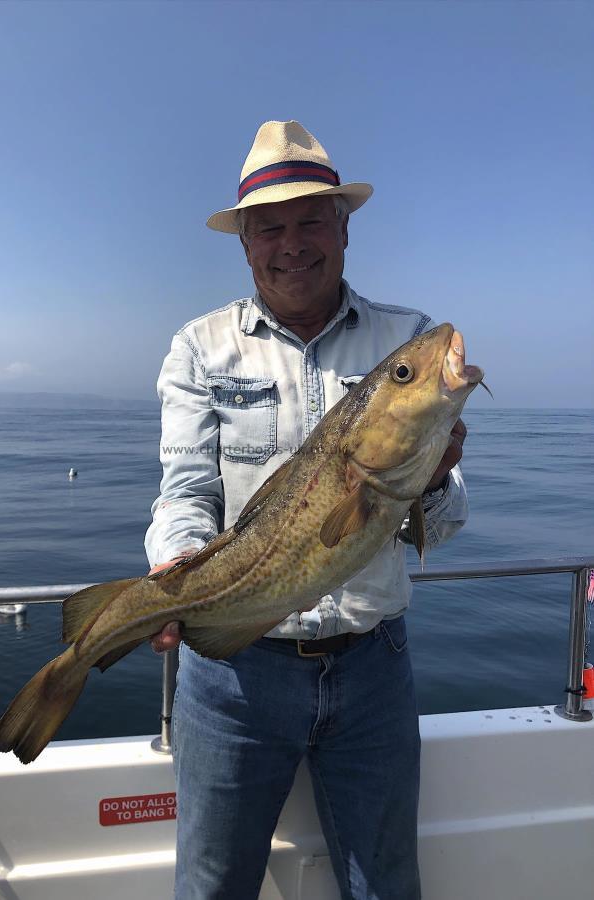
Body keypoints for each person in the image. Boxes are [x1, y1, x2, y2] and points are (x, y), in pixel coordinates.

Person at [144, 120, 469, 900]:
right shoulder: (200, 347)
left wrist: (429, 480)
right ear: (245, 244)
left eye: (310, 221)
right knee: (214, 886)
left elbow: (446, 524)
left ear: (344, 227)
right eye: (270, 228)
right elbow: (186, 490)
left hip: (373, 667)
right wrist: (174, 569)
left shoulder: (408, 341)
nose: (291, 244)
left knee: (385, 886)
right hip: (234, 677)